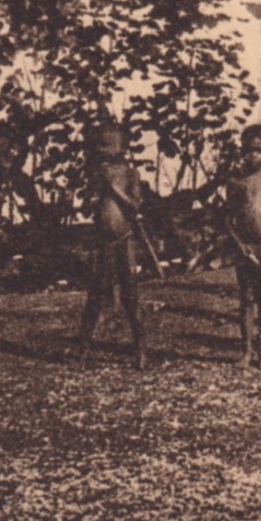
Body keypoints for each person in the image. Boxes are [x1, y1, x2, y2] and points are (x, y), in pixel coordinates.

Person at [78, 120, 148, 370]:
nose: (103, 150)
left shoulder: (130, 174)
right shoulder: (96, 174)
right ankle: (83, 350)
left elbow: (136, 206)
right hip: (102, 242)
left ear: (123, 147)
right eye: (100, 145)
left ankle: (140, 349)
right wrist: (93, 197)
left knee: (130, 297)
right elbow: (87, 209)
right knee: (95, 297)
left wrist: (114, 189)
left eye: (109, 145)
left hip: (124, 241)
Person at [221, 124, 261, 368]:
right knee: (246, 300)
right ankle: (246, 351)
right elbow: (228, 220)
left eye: (259, 150)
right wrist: (240, 247)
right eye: (249, 150)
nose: (254, 155)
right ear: (242, 152)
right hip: (244, 250)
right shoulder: (235, 182)